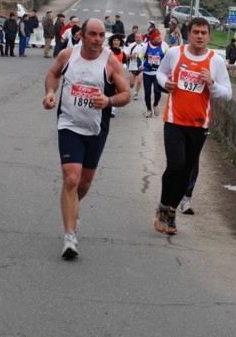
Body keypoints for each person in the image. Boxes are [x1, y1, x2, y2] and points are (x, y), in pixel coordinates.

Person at [42, 18, 131, 259]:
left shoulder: (110, 62)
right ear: (81, 35)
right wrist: (50, 92)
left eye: (102, 35)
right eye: (93, 34)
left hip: (96, 129)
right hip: (69, 124)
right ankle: (70, 236)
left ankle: (72, 207)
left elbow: (126, 94)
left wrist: (109, 101)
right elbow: (52, 74)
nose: (98, 39)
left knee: (84, 184)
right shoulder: (68, 56)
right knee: (71, 178)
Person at [154, 18, 232, 235]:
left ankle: (171, 212)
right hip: (174, 121)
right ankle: (162, 206)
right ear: (188, 34)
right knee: (176, 165)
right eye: (196, 32)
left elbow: (228, 93)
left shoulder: (215, 61)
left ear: (209, 36)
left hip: (199, 125)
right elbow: (160, 73)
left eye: (204, 33)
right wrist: (164, 83)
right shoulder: (174, 54)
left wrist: (212, 84)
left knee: (187, 171)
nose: (199, 36)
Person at [139, 29, 169, 118]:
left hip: (158, 73)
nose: (160, 37)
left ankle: (155, 104)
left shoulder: (164, 45)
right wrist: (139, 65)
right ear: (152, 38)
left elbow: (168, 58)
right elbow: (140, 57)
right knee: (147, 93)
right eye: (157, 36)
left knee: (157, 91)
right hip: (147, 73)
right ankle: (148, 109)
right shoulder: (146, 46)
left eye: (160, 35)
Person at [125, 32, 144, 100]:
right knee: (131, 84)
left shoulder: (144, 46)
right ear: (135, 38)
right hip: (132, 66)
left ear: (141, 38)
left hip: (141, 67)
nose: (138, 39)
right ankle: (132, 88)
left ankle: (136, 93)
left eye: (139, 37)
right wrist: (131, 56)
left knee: (139, 81)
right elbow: (126, 56)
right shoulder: (131, 45)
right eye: (136, 37)